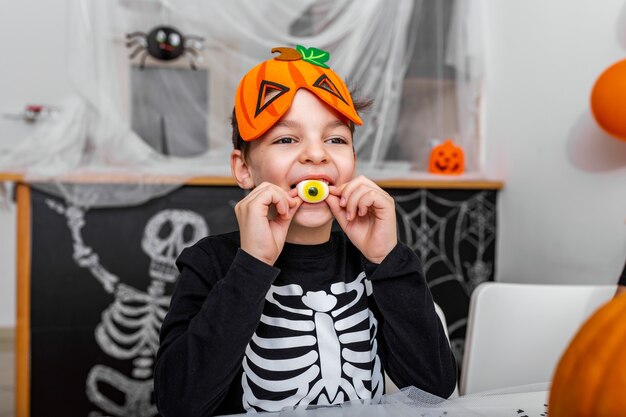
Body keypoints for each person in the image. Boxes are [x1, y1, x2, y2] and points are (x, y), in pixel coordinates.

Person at [154, 46, 457, 417]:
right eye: (286, 139)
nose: (317, 155)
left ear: (353, 162)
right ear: (244, 168)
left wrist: (387, 260)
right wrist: (252, 264)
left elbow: (435, 391)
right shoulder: (210, 263)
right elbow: (178, 404)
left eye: (336, 140)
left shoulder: (372, 263)